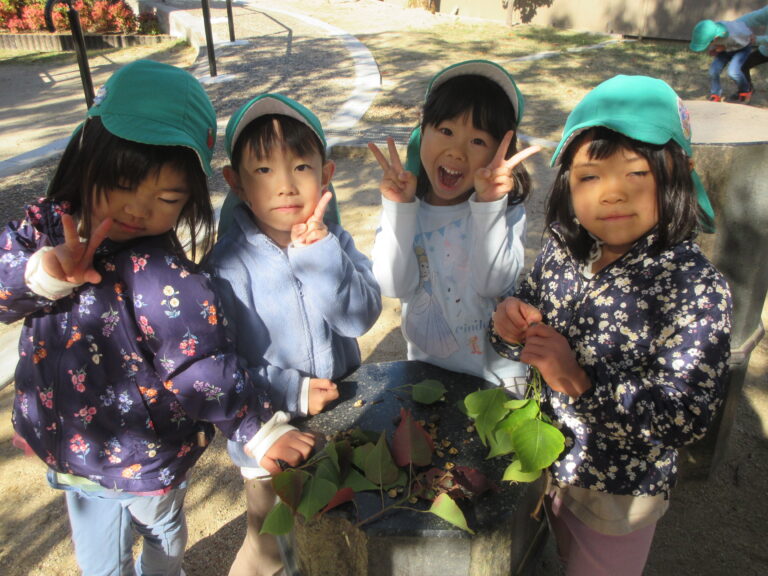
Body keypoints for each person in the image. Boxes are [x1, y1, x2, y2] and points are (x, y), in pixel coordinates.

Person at [0, 60, 315, 576]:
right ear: (88, 155)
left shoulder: (167, 278)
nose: (136, 209)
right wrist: (45, 272)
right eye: (122, 182)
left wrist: (260, 432)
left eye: (167, 198)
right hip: (70, 451)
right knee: (99, 561)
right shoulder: (46, 228)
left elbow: (203, 368)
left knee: (162, 534)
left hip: (146, 459)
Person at [489, 75, 732, 575]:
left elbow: (685, 416)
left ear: (679, 173)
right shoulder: (565, 247)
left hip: (621, 492)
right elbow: (528, 316)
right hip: (548, 457)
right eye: (590, 176)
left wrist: (579, 383)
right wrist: (509, 324)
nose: (612, 194)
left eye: (637, 174)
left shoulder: (694, 288)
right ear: (567, 184)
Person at [204, 93, 382, 576]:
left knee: (336, 539)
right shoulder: (227, 267)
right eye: (263, 171)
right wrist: (293, 390)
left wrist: (320, 256)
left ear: (326, 174)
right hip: (269, 436)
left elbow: (360, 318)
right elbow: (221, 366)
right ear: (236, 182)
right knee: (270, 549)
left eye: (301, 166)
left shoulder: (336, 241)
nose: (284, 185)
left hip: (340, 417)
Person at [368, 60, 540, 395]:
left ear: (498, 153)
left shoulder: (506, 213)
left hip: (499, 380)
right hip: (427, 371)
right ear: (423, 132)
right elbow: (392, 284)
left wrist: (489, 206)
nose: (457, 151)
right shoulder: (404, 210)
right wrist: (399, 210)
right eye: (446, 131)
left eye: (477, 141)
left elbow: (493, 284)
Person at [690, 7, 768, 103]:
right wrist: (733, 26)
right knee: (743, 66)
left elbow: (741, 43)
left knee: (734, 70)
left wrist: (758, 39)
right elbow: (754, 18)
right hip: (766, 50)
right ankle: (745, 91)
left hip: (757, 44)